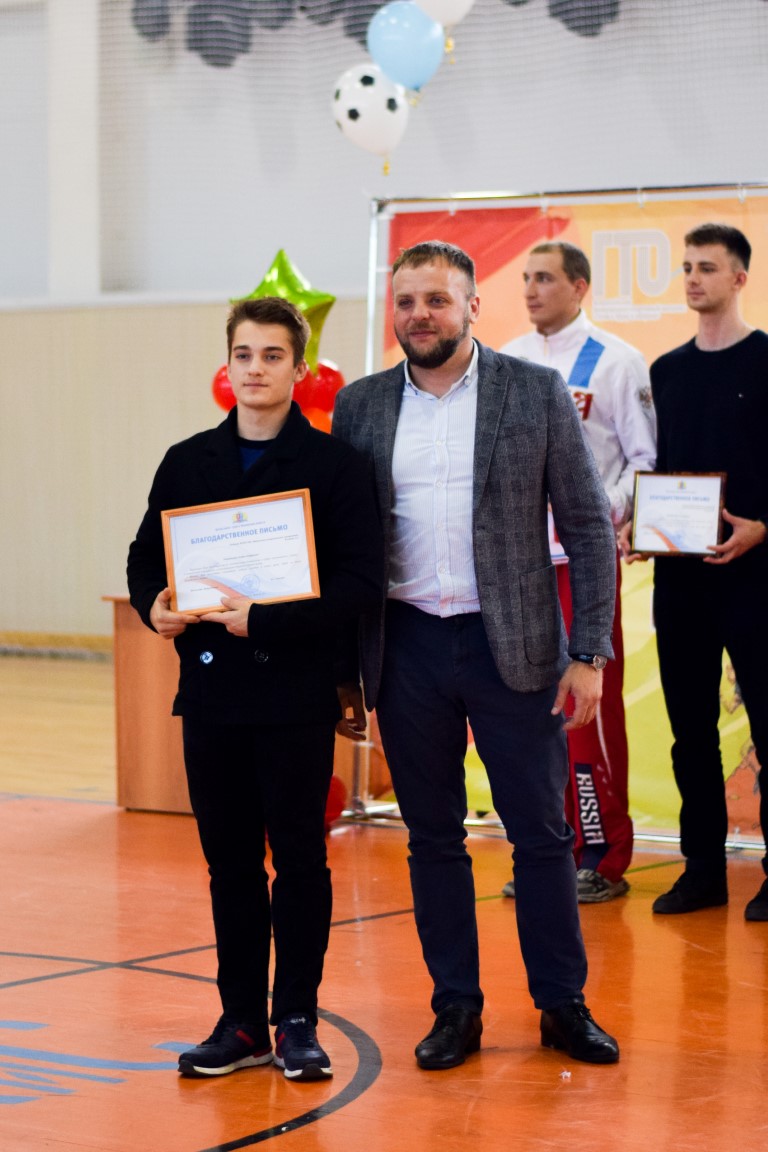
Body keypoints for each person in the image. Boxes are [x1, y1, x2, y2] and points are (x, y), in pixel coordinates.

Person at [332, 240, 620, 1070]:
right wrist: (343, 674)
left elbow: (588, 525)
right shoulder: (360, 406)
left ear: (471, 307)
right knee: (432, 838)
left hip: (516, 647)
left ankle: (562, 1004)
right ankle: (455, 1007)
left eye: (437, 300)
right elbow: (342, 545)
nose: (419, 314)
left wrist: (589, 651)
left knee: (541, 835)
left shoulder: (533, 392)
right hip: (407, 645)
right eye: (406, 301)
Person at [127, 297, 382, 1080]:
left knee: (300, 862)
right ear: (227, 364)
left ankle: (296, 1020)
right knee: (229, 865)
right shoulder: (187, 460)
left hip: (294, 694)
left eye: (273, 355)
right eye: (244, 354)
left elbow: (358, 584)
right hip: (212, 696)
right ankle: (240, 1022)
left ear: (299, 369)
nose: (256, 369)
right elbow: (146, 557)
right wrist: (155, 605)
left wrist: (265, 620)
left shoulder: (336, 466)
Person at [501, 241, 657, 903]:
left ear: (580, 287)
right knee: (525, 713)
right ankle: (546, 853)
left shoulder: (617, 361)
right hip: (515, 566)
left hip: (582, 562)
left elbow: (645, 462)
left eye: (545, 278)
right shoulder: (504, 360)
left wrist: (594, 513)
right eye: (526, 278)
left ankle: (600, 853)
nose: (531, 290)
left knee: (585, 710)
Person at [621, 223, 768, 919]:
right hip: (681, 578)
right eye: (686, 267)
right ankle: (703, 869)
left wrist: (763, 525)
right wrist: (637, 524)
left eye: (706, 267)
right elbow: (656, 465)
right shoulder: (667, 371)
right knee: (690, 731)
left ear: (739, 278)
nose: (692, 279)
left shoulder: (765, 359)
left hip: (756, 574)